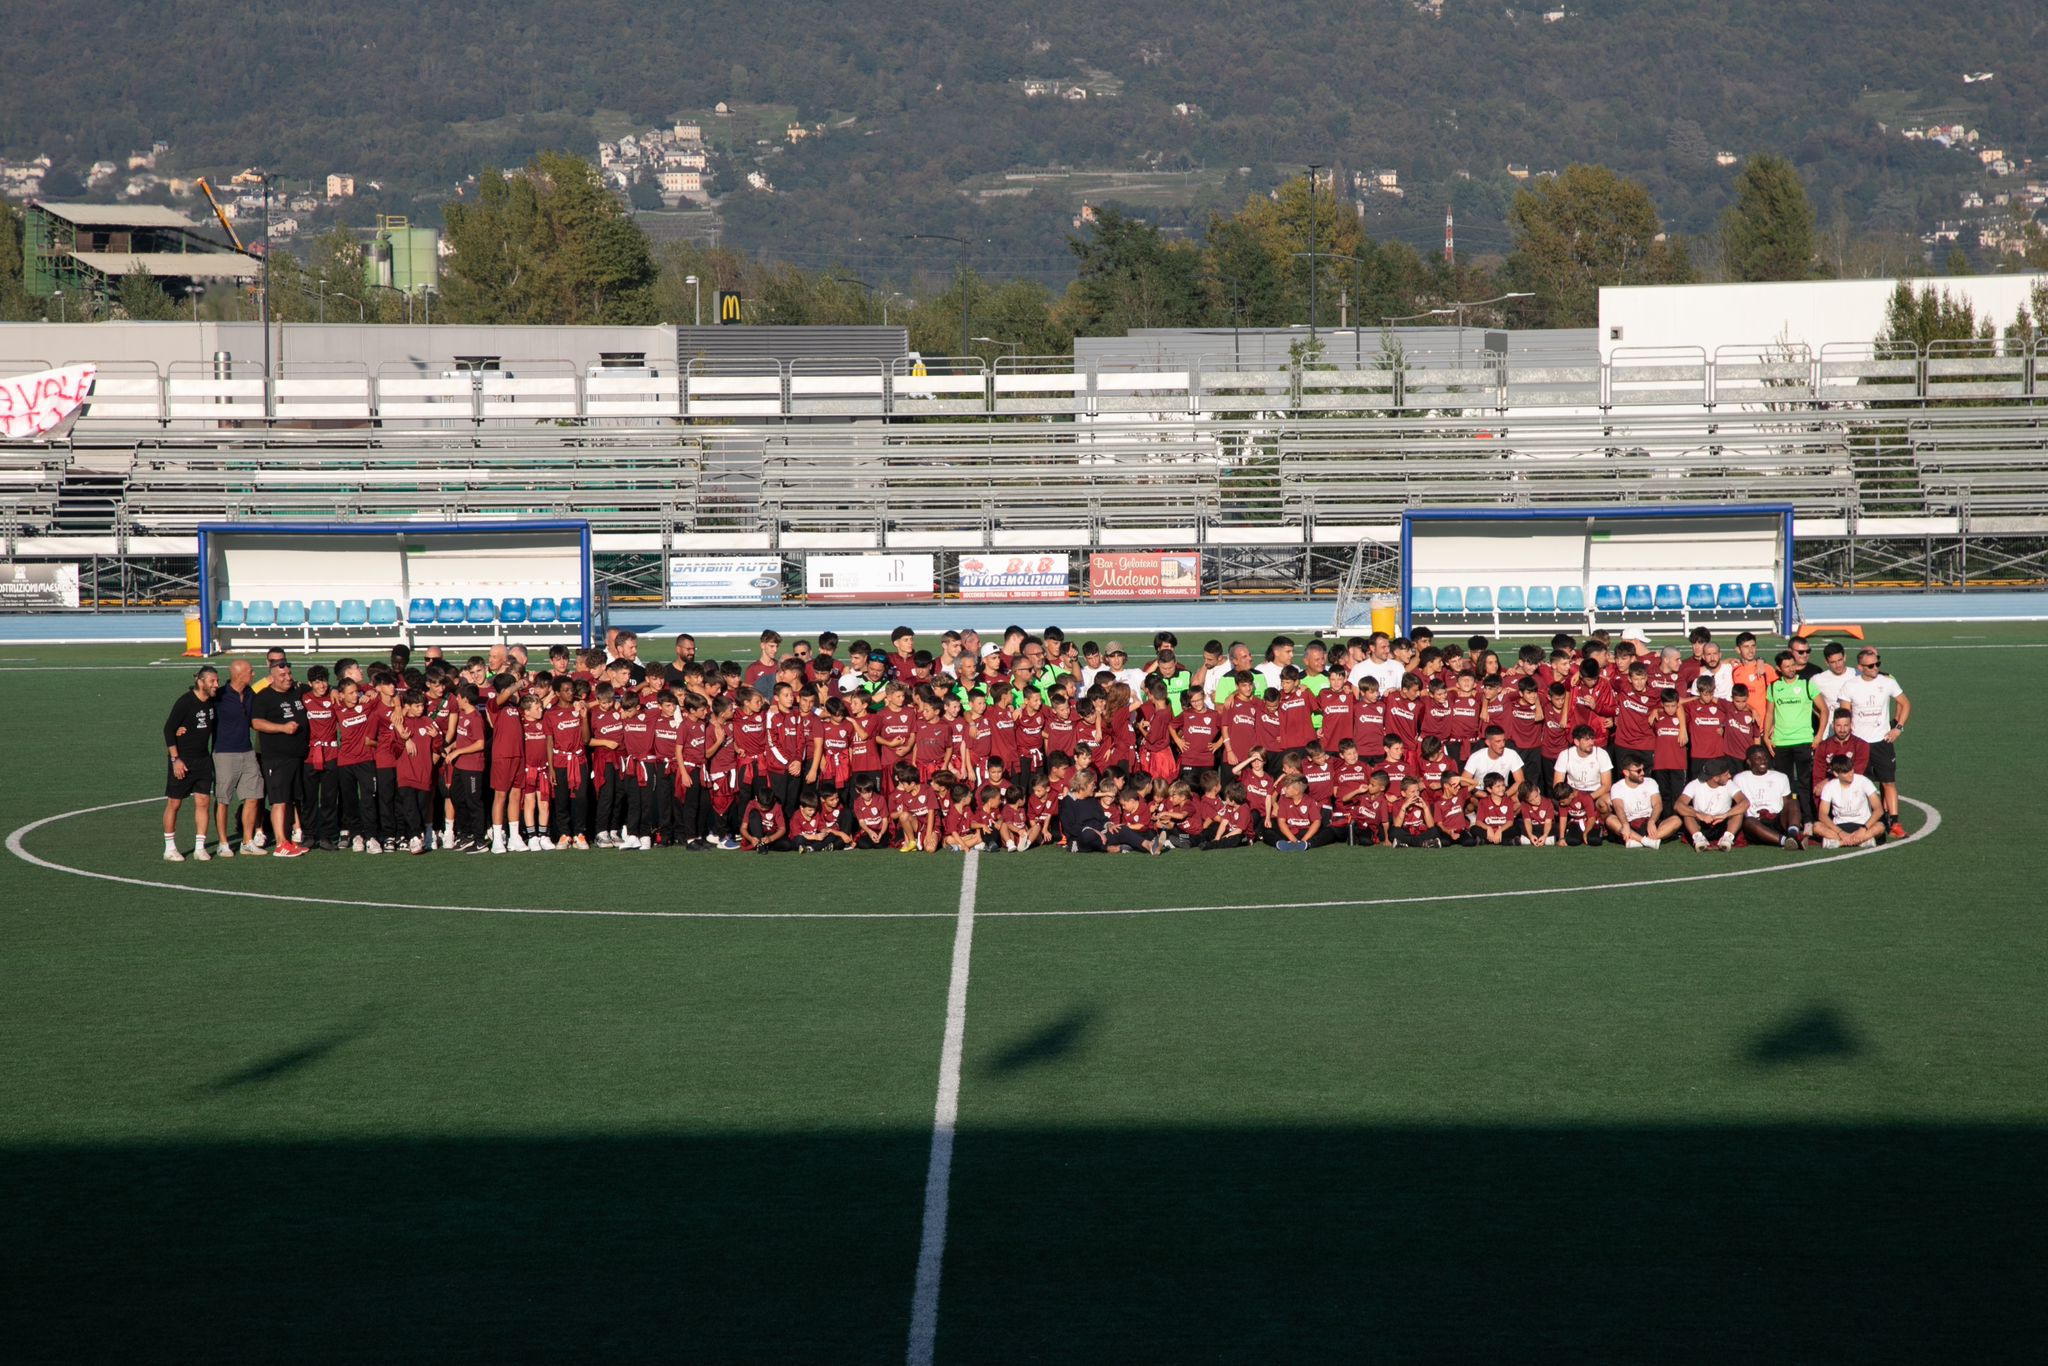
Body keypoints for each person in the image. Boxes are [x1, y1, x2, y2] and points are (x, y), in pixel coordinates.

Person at [1839, 646, 1910, 839]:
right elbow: (1845, 714)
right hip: (1859, 744)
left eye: (1877, 663)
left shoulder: (1887, 682)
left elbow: (1905, 704)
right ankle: (1861, 818)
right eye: (1870, 666)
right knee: (1857, 782)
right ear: (1860, 667)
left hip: (1882, 742)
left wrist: (1898, 728)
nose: (1875, 668)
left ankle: (1894, 823)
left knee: (1888, 782)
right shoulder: (1850, 686)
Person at [249, 658, 310, 858]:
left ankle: (289, 841)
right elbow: (256, 723)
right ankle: (280, 844)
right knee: (279, 800)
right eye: (282, 675)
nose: (287, 678)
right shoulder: (264, 697)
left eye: (289, 674)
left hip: (296, 757)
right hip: (276, 758)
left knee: (290, 799)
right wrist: (282, 728)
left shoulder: (296, 692)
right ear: (272, 677)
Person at [162, 666, 220, 861]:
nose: (216, 685)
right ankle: (170, 849)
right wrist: (175, 759)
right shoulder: (185, 702)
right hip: (183, 760)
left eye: (217, 681)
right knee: (174, 803)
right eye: (212, 681)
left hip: (203, 759)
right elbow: (168, 730)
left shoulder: (212, 701)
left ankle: (200, 848)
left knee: (203, 802)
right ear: (200, 682)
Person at [211, 658, 264, 856]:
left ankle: (247, 842)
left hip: (247, 751)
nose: (253, 674)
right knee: (223, 799)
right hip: (224, 753)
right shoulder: (220, 695)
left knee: (253, 796)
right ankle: (223, 843)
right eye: (250, 671)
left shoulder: (250, 693)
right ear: (239, 674)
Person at [1813, 753, 1884, 848]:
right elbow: (1822, 815)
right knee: (1816, 826)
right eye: (1845, 772)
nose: (1851, 774)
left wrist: (1863, 829)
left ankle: (1839, 843)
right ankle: (1862, 840)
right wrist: (1841, 833)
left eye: (1851, 769)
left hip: (1862, 824)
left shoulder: (1864, 781)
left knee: (1880, 826)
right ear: (1836, 774)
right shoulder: (1830, 786)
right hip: (1839, 826)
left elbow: (1879, 809)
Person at [1676, 759, 1749, 852]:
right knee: (1688, 810)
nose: (1730, 776)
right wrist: (1699, 815)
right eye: (1726, 774)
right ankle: (1698, 839)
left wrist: (1726, 815)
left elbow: (1745, 802)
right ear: (1716, 778)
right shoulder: (1694, 784)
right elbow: (1678, 805)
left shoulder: (1730, 784)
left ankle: (1727, 839)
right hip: (1701, 825)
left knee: (1738, 811)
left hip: (1722, 824)